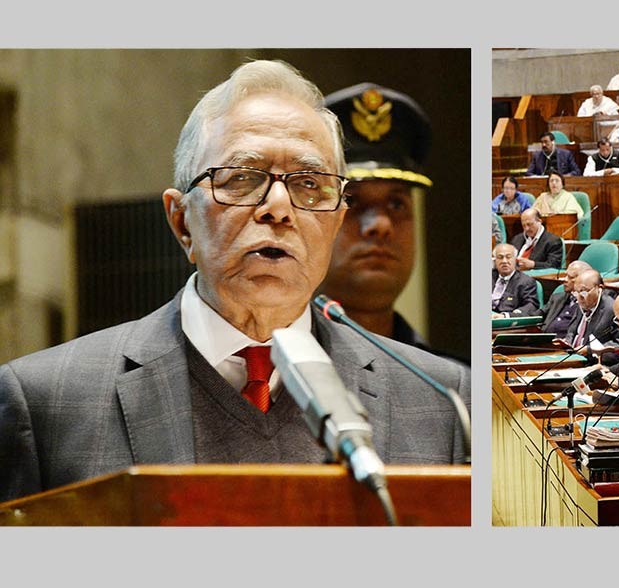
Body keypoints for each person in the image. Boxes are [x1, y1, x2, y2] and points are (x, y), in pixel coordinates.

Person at [0, 60, 471, 503]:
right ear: (181, 221)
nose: (279, 208)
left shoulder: (442, 403)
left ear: (335, 221)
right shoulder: (46, 403)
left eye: (310, 183)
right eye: (243, 177)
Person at [319, 81, 433, 351]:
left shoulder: (455, 384)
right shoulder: (267, 378)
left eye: (396, 204)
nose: (380, 225)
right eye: (352, 200)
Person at [564, 269, 619, 366]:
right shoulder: (582, 303)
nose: (579, 297)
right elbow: (572, 332)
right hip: (571, 359)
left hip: (594, 364)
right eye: (576, 292)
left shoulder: (613, 310)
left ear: (600, 288)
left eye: (584, 291)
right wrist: (566, 343)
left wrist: (591, 351)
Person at [530, 260, 592, 337]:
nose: (565, 279)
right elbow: (536, 316)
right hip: (545, 340)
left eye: (570, 277)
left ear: (584, 280)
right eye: (565, 275)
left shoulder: (589, 303)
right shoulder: (557, 298)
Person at [491, 243, 539, 318]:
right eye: (500, 257)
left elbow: (531, 305)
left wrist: (508, 316)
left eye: (508, 257)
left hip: (506, 322)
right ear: (495, 260)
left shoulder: (526, 281)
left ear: (515, 260)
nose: (504, 261)